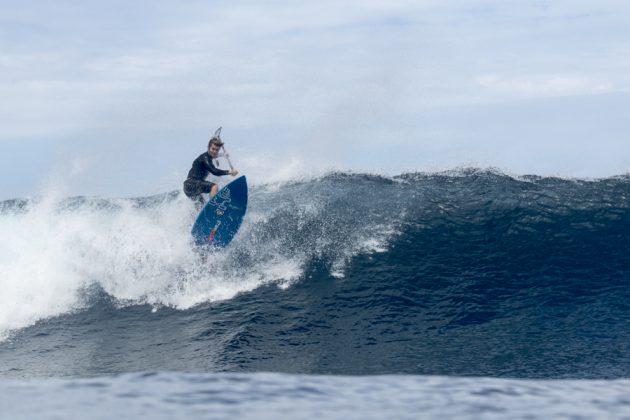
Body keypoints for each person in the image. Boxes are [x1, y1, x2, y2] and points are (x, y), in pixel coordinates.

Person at [184, 136, 238, 209]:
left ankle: (203, 219)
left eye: (217, 150)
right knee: (214, 186)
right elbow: (214, 171)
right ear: (208, 147)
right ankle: (214, 208)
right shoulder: (205, 158)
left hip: (188, 187)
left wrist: (222, 155)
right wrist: (229, 172)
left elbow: (213, 156)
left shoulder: (207, 157)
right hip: (192, 183)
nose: (215, 151)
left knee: (201, 207)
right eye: (213, 149)